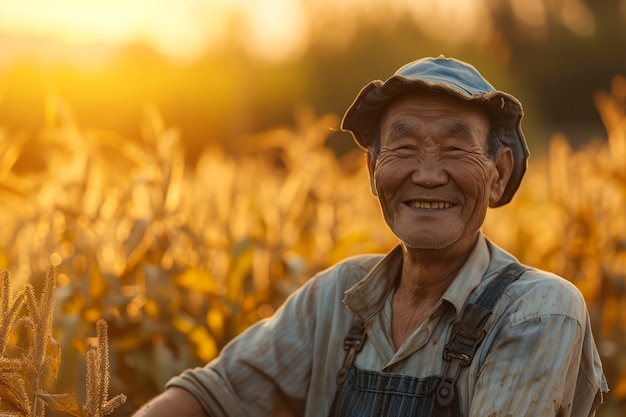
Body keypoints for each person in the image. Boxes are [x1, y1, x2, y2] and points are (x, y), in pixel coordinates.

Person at [134, 56, 608, 417]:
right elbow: (211, 396)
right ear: (372, 171)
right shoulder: (336, 298)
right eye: (403, 147)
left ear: (498, 174)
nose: (426, 174)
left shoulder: (538, 310)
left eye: (454, 147)